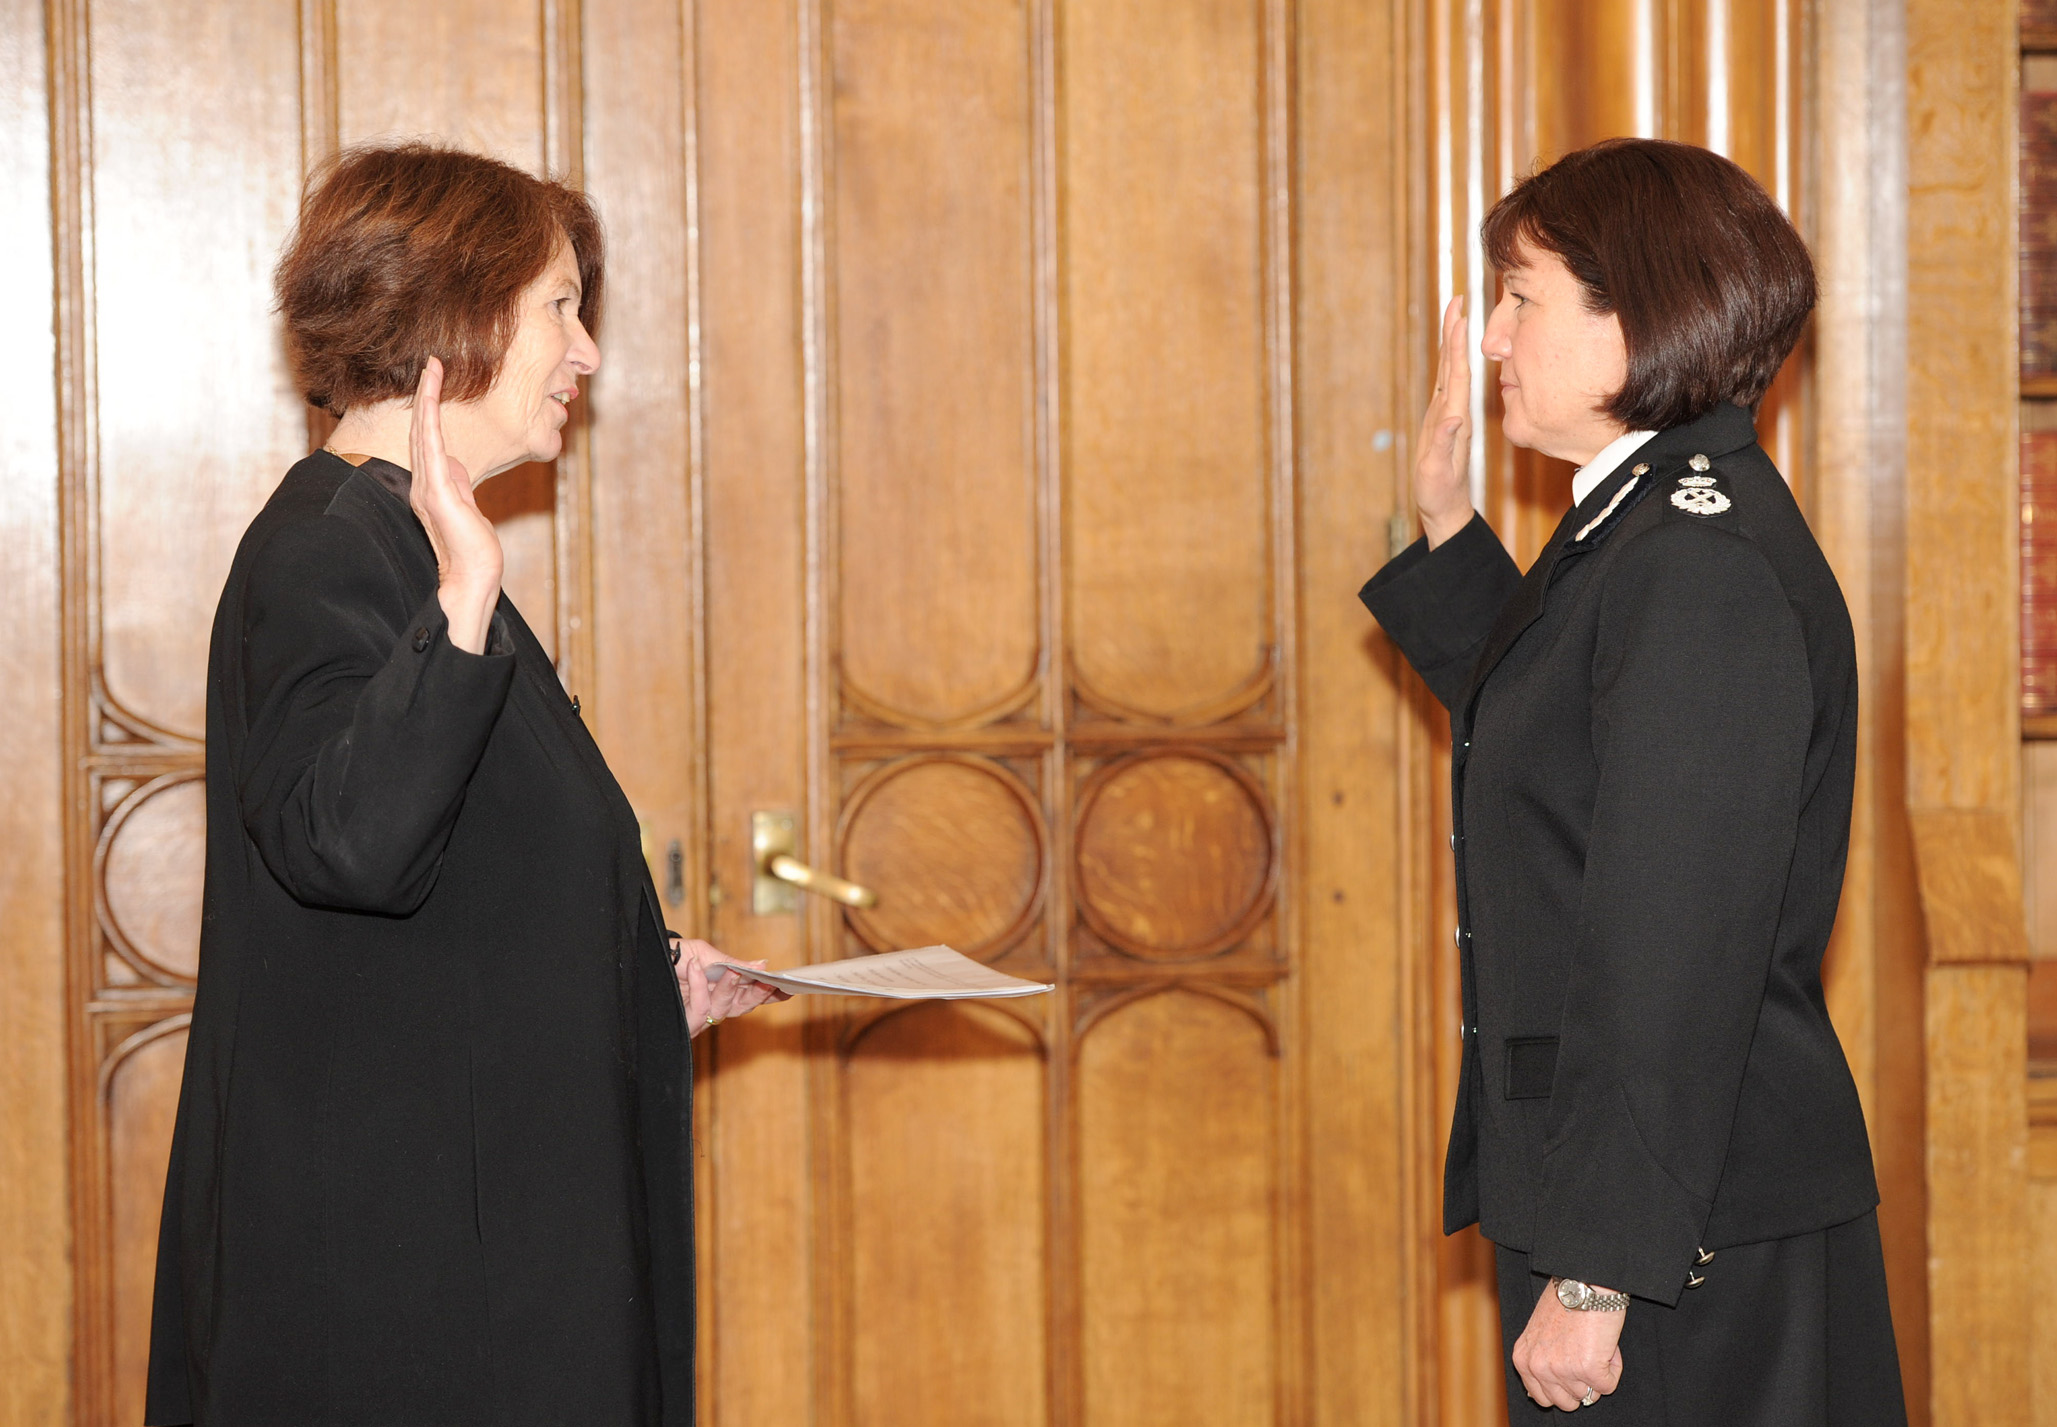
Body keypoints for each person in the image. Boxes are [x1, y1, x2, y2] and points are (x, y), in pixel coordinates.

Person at [145, 143, 781, 1427]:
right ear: (454, 316)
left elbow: (457, 879)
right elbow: (353, 842)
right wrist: (467, 592)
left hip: (466, 1260)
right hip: (402, 1302)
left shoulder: (396, 544)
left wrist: (639, 976)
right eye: (558, 306)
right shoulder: (332, 551)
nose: (587, 351)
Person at [1360, 138, 1906, 1423]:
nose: (1492, 338)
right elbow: (1564, 750)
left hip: (1674, 1234)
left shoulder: (1690, 560)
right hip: (1652, 1205)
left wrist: (1599, 1267)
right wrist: (1446, 526)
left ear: (1637, 314)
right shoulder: (1646, 517)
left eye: (1520, 297)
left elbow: (1673, 935)